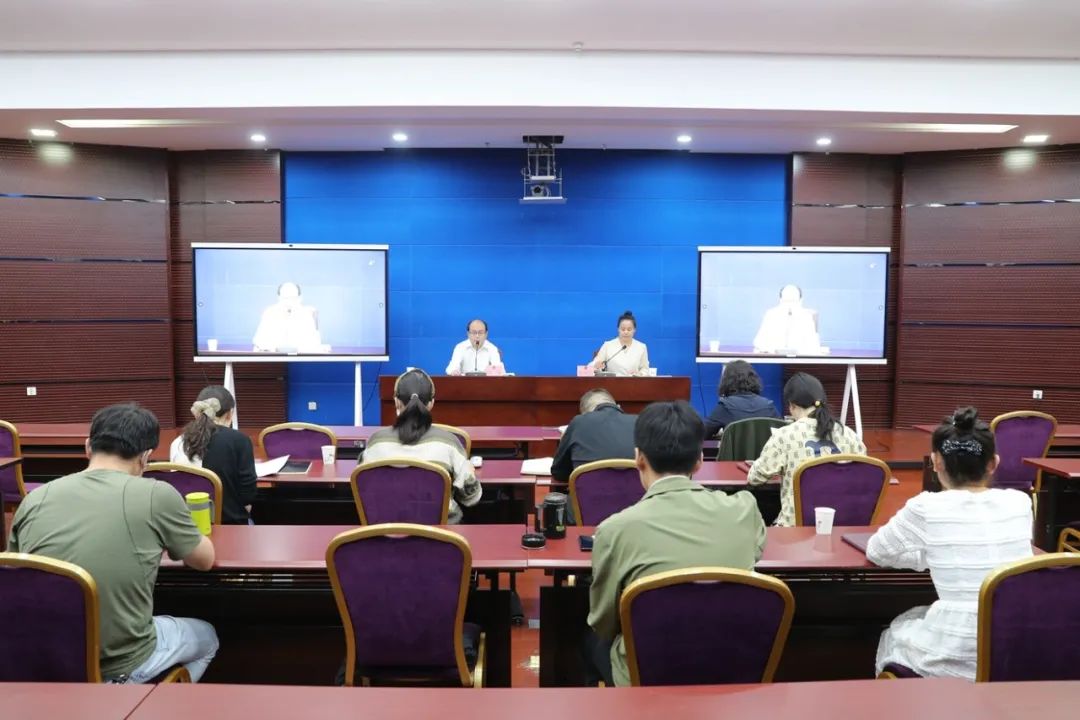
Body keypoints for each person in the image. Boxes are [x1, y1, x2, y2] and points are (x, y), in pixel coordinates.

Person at [7, 404, 218, 683]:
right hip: (120, 662)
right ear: (145, 457)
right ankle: (145, 698)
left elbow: (16, 573)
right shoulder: (157, 495)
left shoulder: (35, 498)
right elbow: (204, 561)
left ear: (87, 447)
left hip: (42, 659)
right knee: (208, 637)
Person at [585, 400, 766, 687]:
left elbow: (604, 623)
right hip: (732, 668)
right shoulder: (744, 509)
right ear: (699, 460)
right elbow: (754, 553)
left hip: (647, 675)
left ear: (638, 458)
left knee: (587, 641)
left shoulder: (614, 530)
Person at [869, 407, 1033, 680]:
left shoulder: (926, 506)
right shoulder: (1020, 502)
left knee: (895, 631)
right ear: (993, 463)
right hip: (1016, 644)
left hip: (958, 651)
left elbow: (878, 551)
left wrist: (927, 556)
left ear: (935, 462)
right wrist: (936, 553)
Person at [360, 369, 482, 523]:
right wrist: (468, 470)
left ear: (396, 401)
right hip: (440, 534)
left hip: (384, 532)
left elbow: (362, 488)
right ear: (431, 403)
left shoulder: (375, 442)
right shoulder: (449, 442)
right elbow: (471, 498)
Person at [747, 372, 865, 526]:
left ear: (792, 406)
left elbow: (755, 478)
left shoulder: (783, 436)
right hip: (840, 526)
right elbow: (863, 476)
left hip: (795, 529)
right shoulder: (849, 434)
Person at [169, 386, 258, 525]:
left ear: (196, 413)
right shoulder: (240, 440)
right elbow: (248, 497)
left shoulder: (177, 443)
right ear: (229, 414)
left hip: (187, 525)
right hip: (229, 525)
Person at [551, 389, 636, 483]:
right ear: (618, 406)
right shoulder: (640, 422)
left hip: (589, 492)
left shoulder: (579, 422)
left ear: (586, 414)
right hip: (637, 492)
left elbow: (559, 473)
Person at [703, 360, 780, 438]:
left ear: (726, 381)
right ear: (754, 380)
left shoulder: (725, 406)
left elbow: (703, 433)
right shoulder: (768, 405)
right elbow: (782, 433)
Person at [252, 281, 323, 352]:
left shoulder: (307, 314)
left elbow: (314, 343)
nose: (288, 302)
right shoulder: (269, 313)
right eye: (285, 298)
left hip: (300, 356)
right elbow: (258, 341)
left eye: (292, 298)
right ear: (279, 298)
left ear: (300, 298)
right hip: (275, 356)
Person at [752, 284, 822, 355]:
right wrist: (773, 349)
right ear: (780, 300)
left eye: (793, 301)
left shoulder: (806, 317)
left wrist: (798, 351)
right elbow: (758, 342)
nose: (789, 305)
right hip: (774, 357)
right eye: (786, 301)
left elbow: (814, 346)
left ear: (800, 300)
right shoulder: (771, 315)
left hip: (800, 359)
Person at [591, 310, 650, 376]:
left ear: (634, 330)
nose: (626, 332)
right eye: (623, 329)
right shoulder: (608, 345)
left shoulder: (641, 347)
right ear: (618, 329)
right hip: (612, 381)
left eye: (629, 329)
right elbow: (593, 364)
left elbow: (645, 369)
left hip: (633, 381)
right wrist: (596, 365)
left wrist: (640, 374)